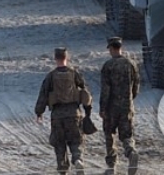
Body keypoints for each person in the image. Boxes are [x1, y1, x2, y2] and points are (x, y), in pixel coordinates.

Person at [35, 47, 92, 174]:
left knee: (59, 145)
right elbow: (85, 93)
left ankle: (63, 170)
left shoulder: (50, 76)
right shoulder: (74, 74)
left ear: (55, 59)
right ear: (67, 58)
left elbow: (43, 95)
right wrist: (88, 111)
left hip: (57, 115)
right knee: (76, 141)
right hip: (74, 113)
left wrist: (39, 112)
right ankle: (77, 159)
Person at [100, 37, 140, 175]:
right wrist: (129, 99)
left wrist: (102, 108)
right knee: (127, 134)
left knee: (109, 134)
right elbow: (136, 87)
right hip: (127, 106)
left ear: (111, 48)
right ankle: (131, 153)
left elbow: (105, 90)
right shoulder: (131, 64)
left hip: (111, 108)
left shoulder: (108, 66)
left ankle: (111, 166)